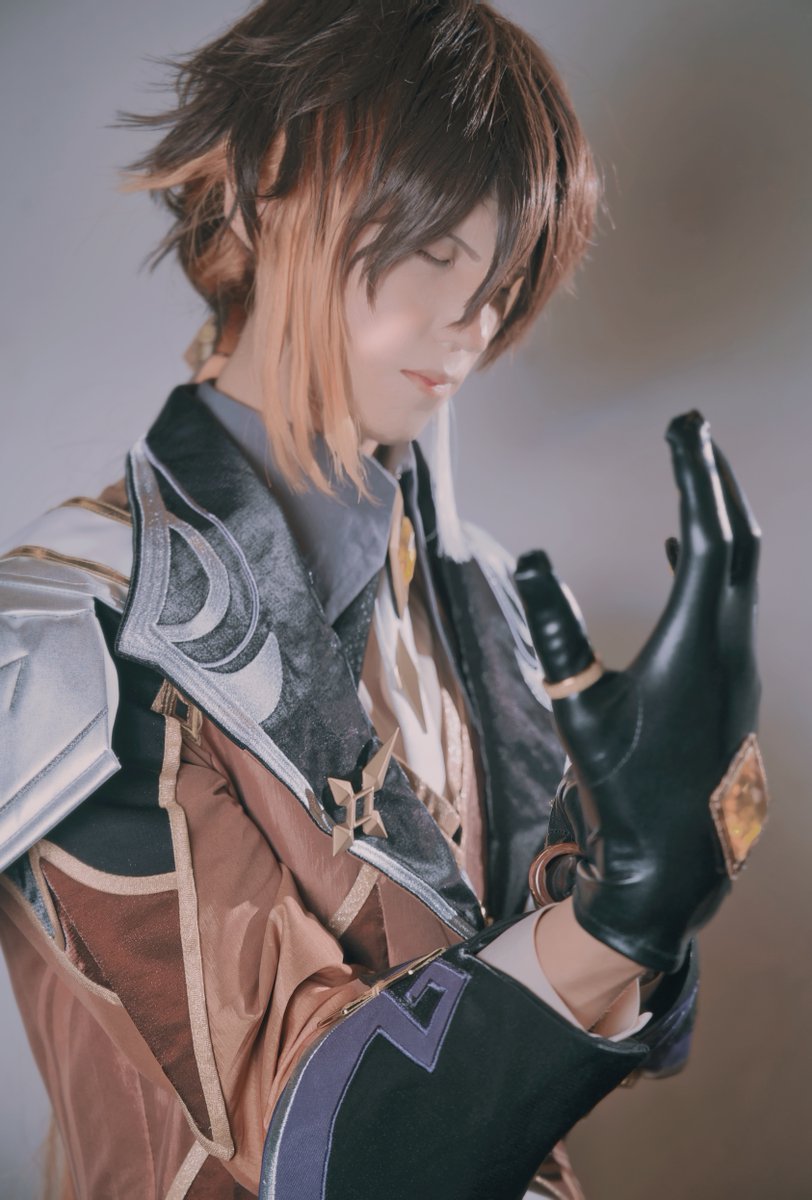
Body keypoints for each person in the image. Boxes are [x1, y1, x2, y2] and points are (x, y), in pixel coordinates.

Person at [0, 2, 768, 1198]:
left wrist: (646, 876)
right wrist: (617, 919)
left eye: (502, 273)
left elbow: (592, 1046)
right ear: (265, 190)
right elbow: (324, 1155)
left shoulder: (484, 605)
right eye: (434, 249)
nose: (471, 321)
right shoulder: (77, 631)